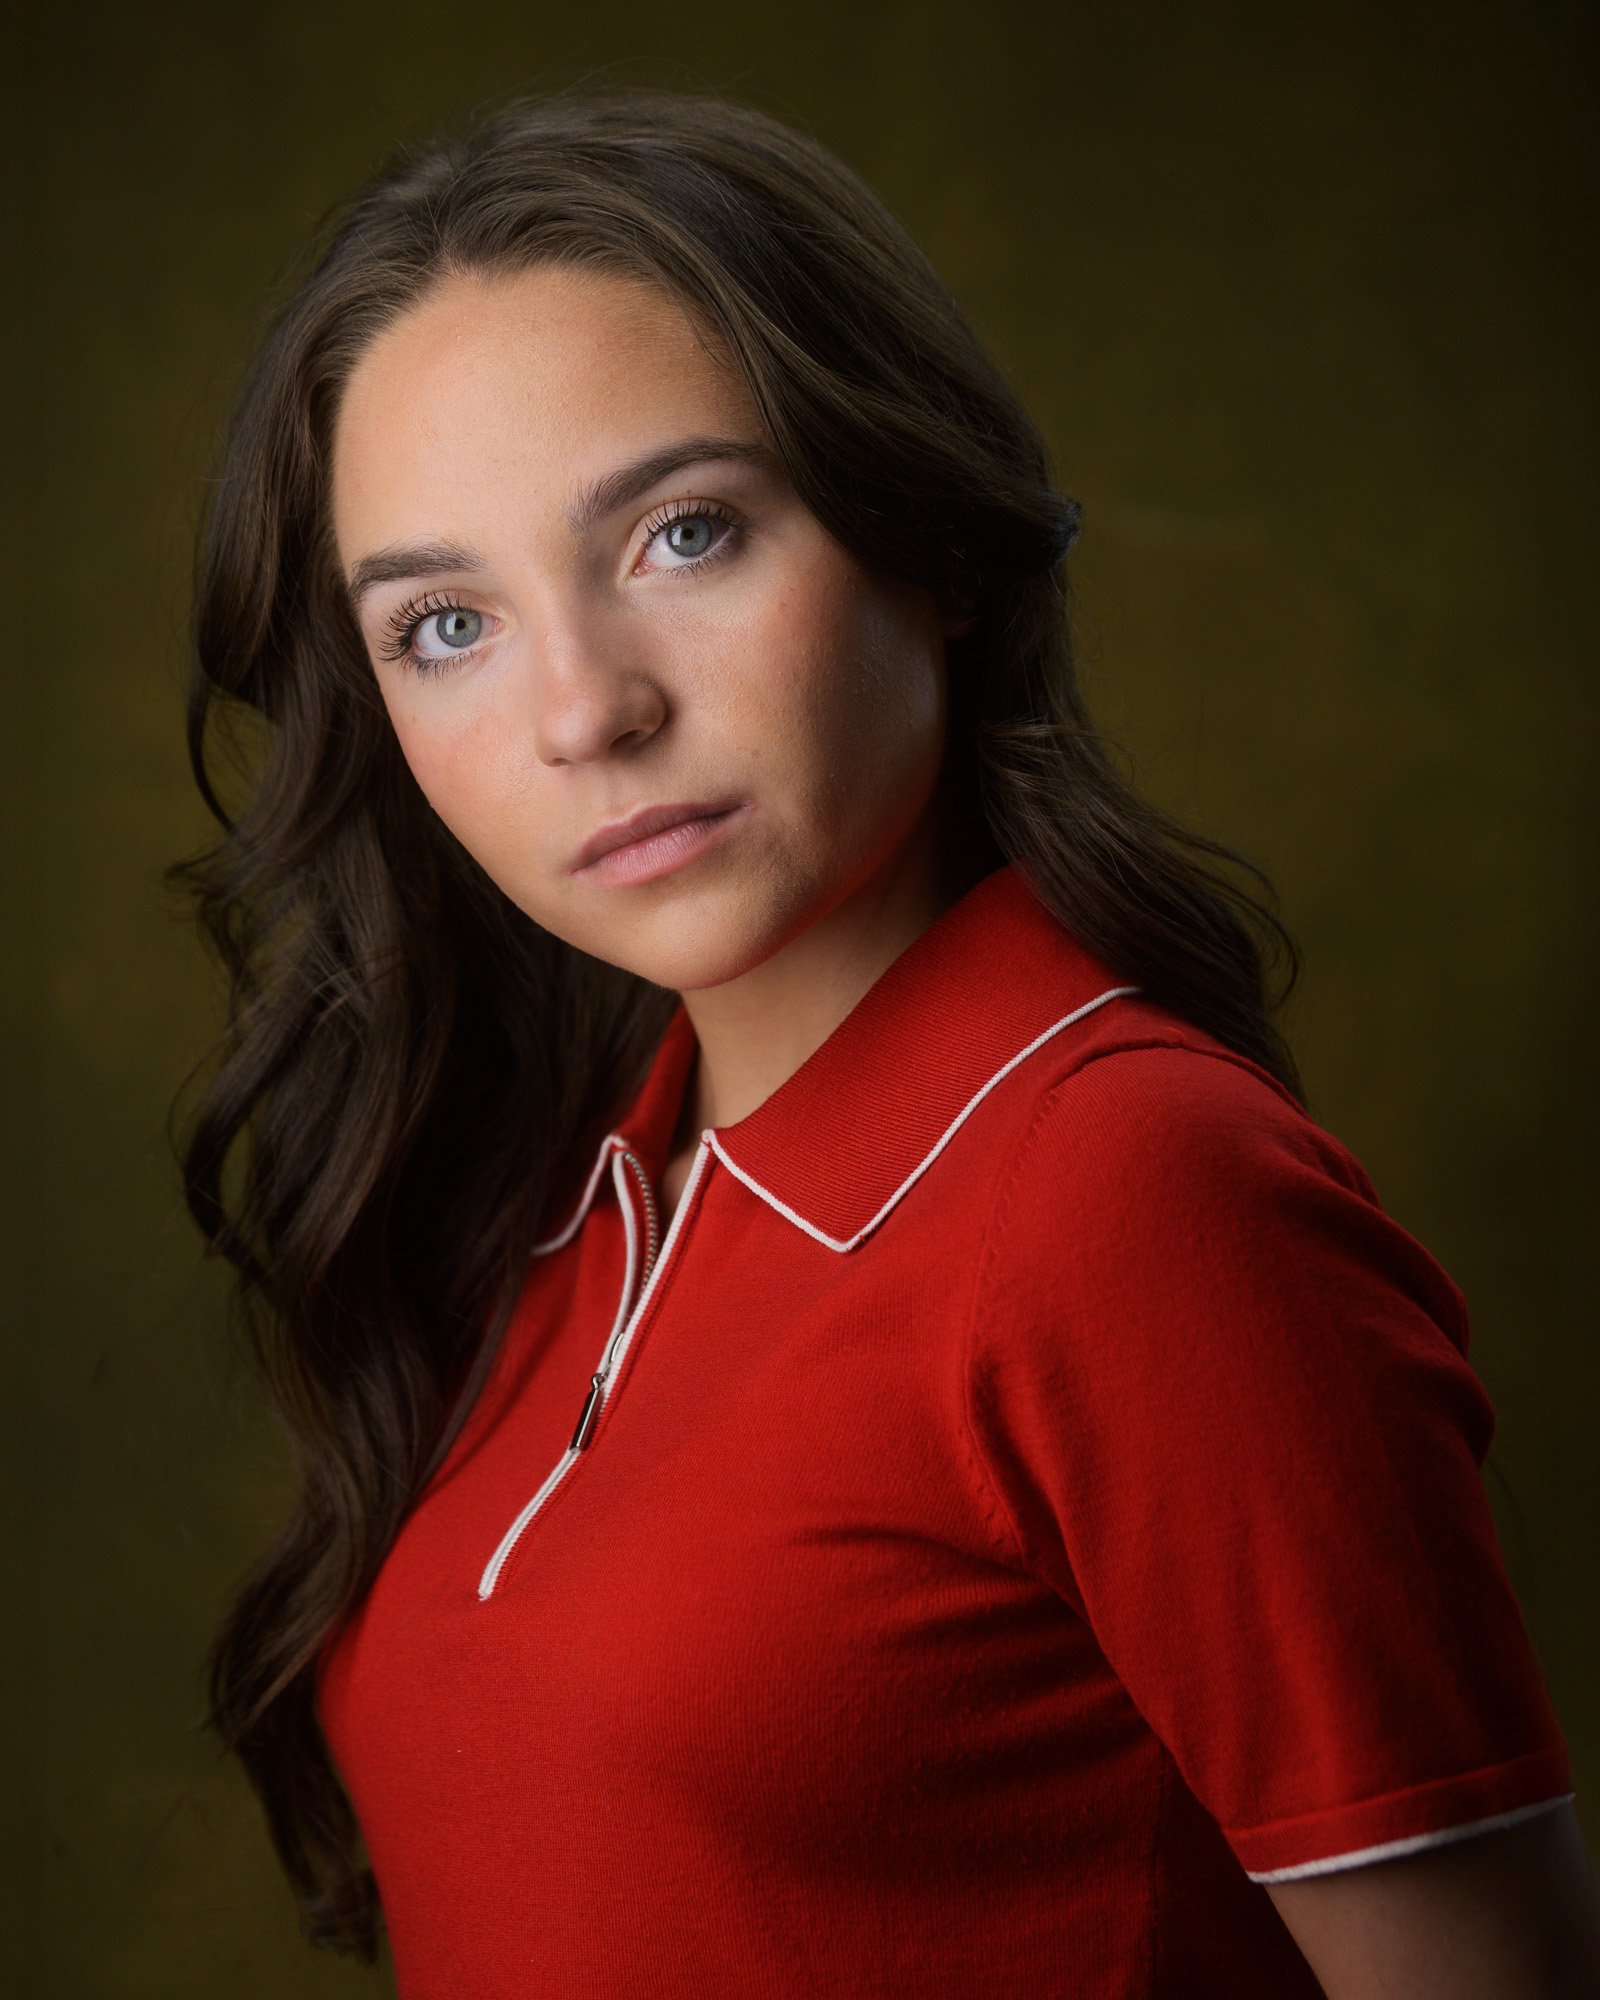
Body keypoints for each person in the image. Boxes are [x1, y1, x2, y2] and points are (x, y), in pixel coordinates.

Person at [168, 84, 1600, 1997]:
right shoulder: (570, 1191)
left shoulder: (1135, 1196)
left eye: (684, 534)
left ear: (925, 538)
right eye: (445, 626)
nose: (584, 710)